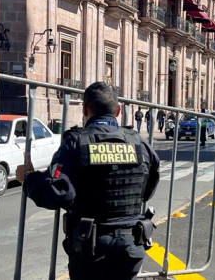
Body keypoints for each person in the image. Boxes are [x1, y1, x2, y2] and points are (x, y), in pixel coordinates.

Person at [16, 82, 160, 280]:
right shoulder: (139, 143)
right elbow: (148, 189)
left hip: (91, 245)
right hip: (131, 243)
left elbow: (59, 194)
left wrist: (29, 178)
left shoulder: (76, 142)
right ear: (118, 111)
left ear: (85, 109)